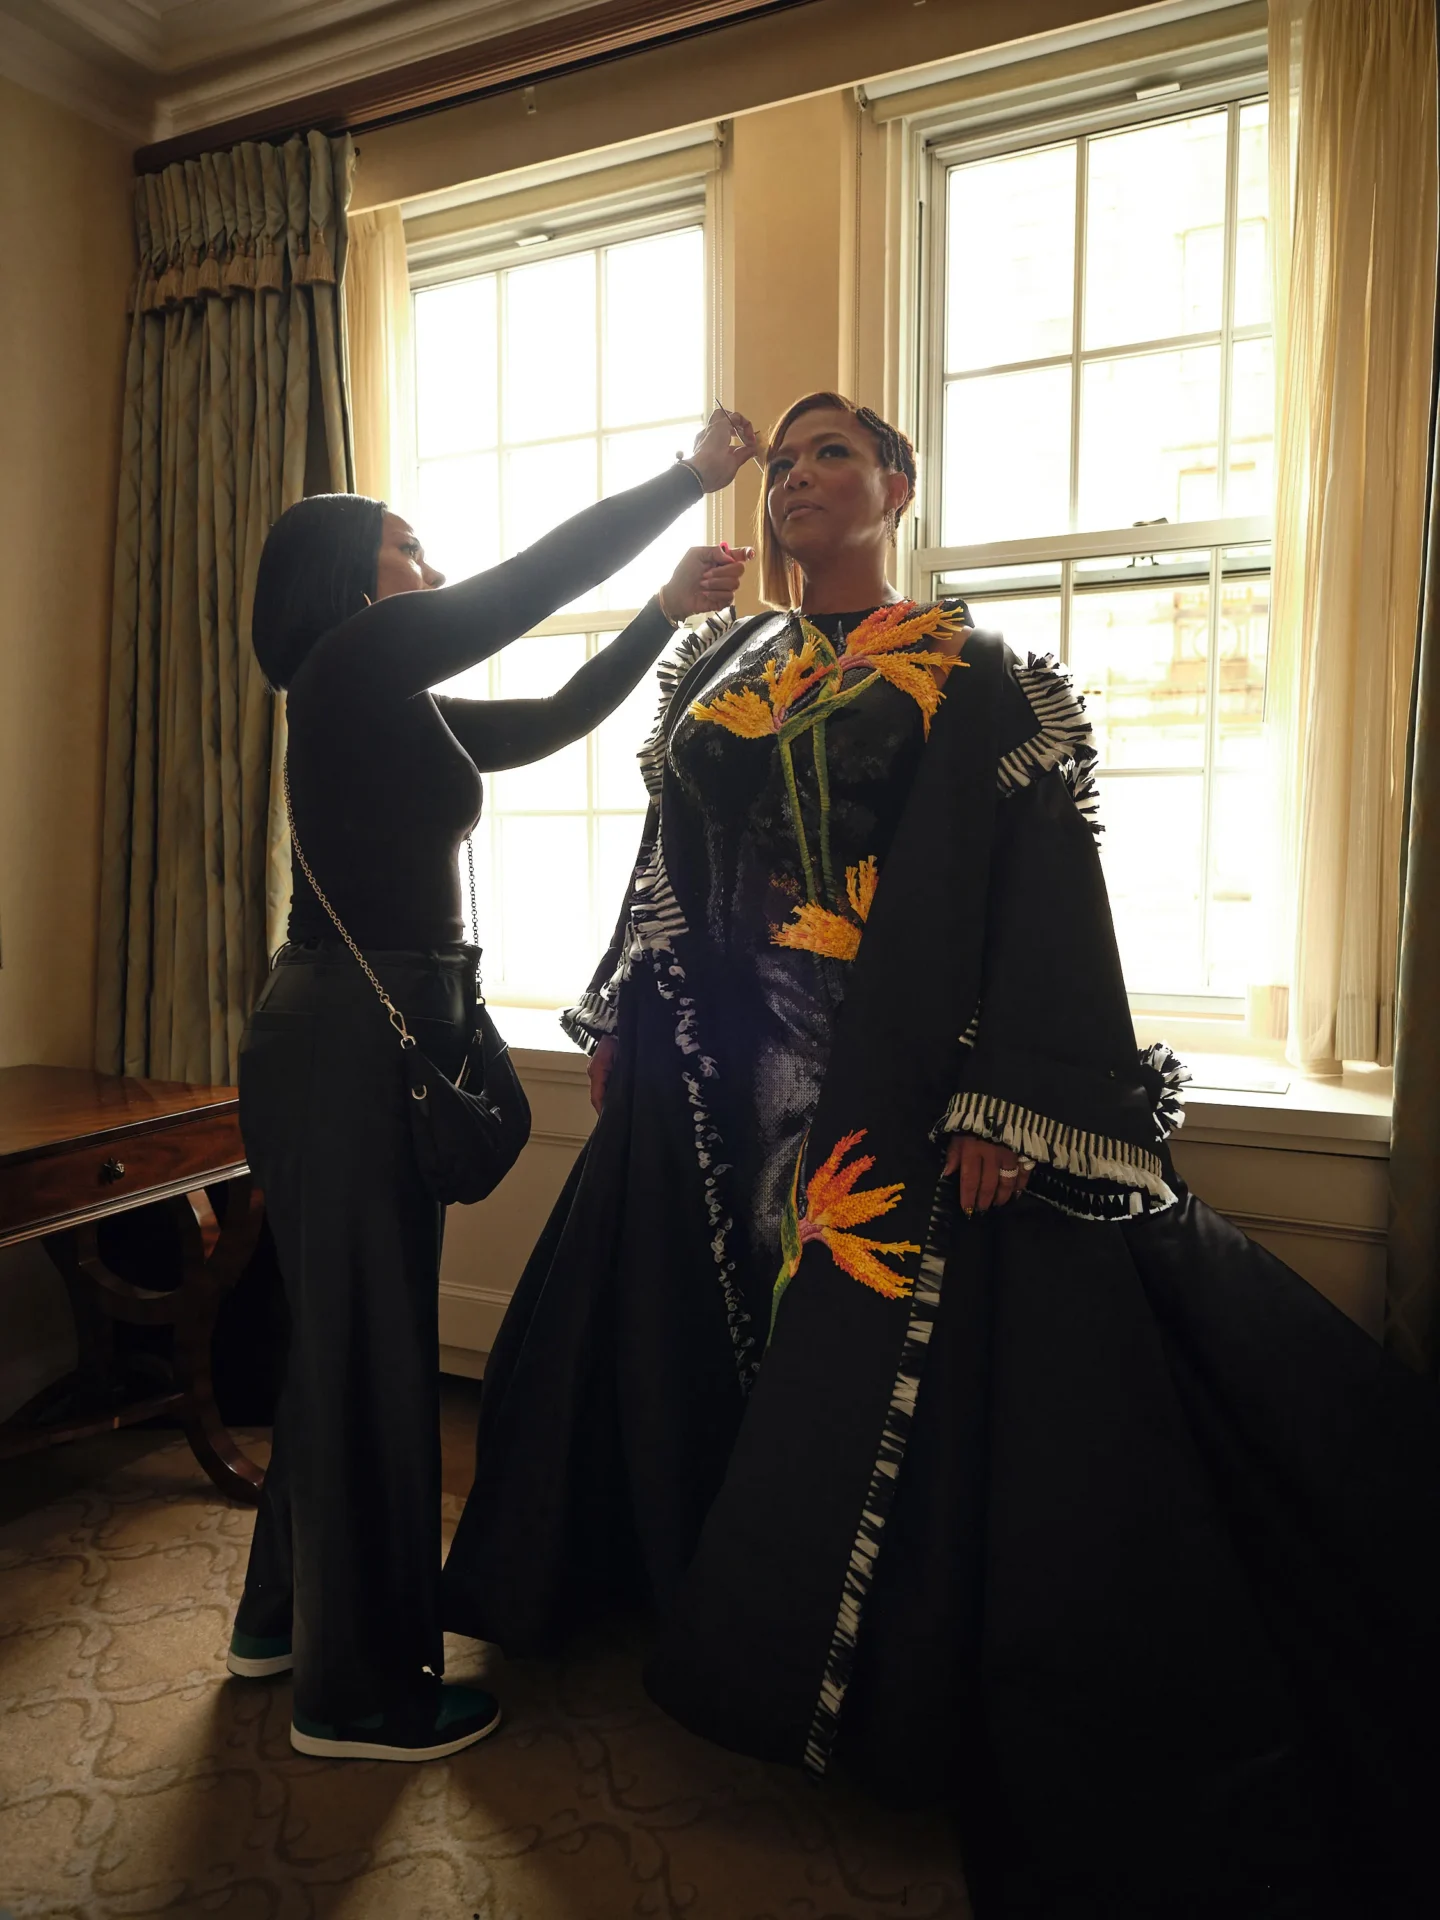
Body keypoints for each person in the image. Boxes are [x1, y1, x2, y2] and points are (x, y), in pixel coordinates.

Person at [442, 391, 1440, 1915]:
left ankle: (874, 1678)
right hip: (719, 1095)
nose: (799, 480)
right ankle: (692, 1597)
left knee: (877, 1370)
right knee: (704, 1341)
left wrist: (1010, 1096)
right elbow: (670, 860)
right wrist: (629, 1004)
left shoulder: (972, 675)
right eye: (783, 463)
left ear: (897, 489)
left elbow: (1038, 884)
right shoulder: (718, 667)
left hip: (890, 1091)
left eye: (832, 455)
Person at [226, 407, 758, 1764]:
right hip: (352, 1032)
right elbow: (524, 590)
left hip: (367, 1025)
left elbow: (552, 714)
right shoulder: (352, 662)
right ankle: (355, 1699)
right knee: (377, 1355)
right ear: (351, 577)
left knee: (346, 1342)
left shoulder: (379, 695)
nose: (429, 560)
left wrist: (657, 614)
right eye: (406, 545)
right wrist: (678, 482)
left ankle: (283, 1624)